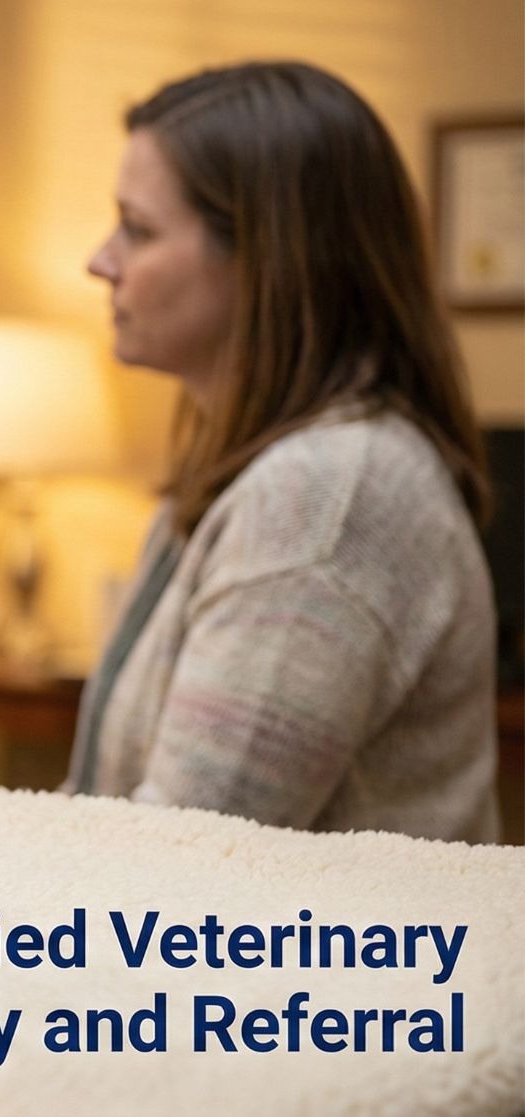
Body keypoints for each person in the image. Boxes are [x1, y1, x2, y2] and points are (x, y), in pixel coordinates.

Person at [68, 61, 499, 842]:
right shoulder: (244, 468)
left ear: (265, 259)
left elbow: (186, 856)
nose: (103, 261)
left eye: (139, 228)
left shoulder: (330, 494)